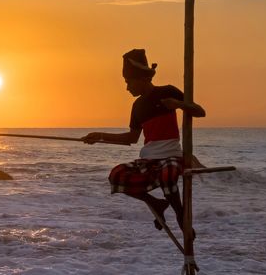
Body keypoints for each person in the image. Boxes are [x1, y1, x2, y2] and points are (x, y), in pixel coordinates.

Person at [81, 49, 205, 233]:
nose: (127, 87)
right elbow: (131, 138)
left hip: (171, 156)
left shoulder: (167, 91)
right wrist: (99, 136)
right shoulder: (137, 106)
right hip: (149, 160)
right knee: (116, 175)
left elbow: (200, 111)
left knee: (168, 173)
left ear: (140, 78)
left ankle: (180, 215)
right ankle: (156, 203)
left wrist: (179, 104)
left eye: (128, 82)